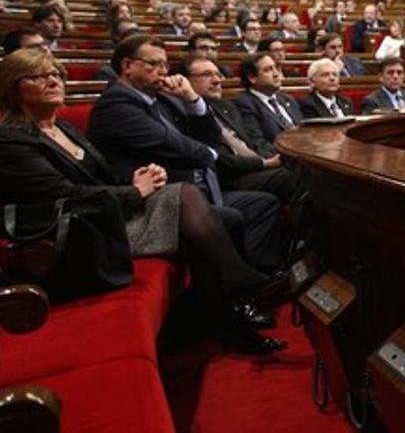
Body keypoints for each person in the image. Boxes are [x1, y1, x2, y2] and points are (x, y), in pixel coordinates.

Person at [0, 48, 286, 353]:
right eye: (38, 76)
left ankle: (225, 313)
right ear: (12, 86)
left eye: (56, 74)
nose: (53, 81)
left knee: (220, 217)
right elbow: (64, 195)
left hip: (104, 214)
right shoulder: (11, 140)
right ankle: (239, 289)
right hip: (75, 235)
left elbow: (103, 177)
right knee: (194, 203)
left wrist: (139, 178)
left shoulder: (65, 128)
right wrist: (135, 192)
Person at [87, 36, 285, 274]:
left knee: (263, 205)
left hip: (198, 185)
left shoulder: (162, 98)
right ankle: (240, 285)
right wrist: (214, 156)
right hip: (157, 199)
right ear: (127, 66)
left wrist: (192, 99)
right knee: (230, 217)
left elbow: (209, 137)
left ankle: (263, 272)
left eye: (165, 65)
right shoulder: (116, 103)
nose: (162, 71)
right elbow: (173, 144)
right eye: (153, 64)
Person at [180, 55, 303, 207]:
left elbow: (250, 142)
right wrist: (264, 163)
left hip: (255, 165)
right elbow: (218, 158)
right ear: (184, 81)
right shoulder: (185, 113)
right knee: (296, 176)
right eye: (206, 75)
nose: (217, 80)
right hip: (231, 176)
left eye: (218, 74)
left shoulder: (225, 106)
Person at [233, 54, 305, 155]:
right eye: (268, 70)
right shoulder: (244, 103)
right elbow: (257, 142)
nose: (276, 74)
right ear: (252, 78)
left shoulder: (287, 99)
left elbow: (304, 131)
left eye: (276, 68)